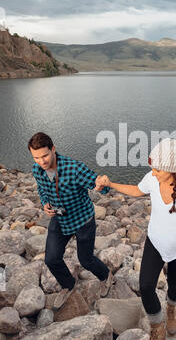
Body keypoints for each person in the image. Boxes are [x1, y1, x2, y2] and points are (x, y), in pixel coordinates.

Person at [95, 138, 176, 340]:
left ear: (171, 169)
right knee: (146, 286)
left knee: (174, 285)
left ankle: (172, 310)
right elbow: (137, 191)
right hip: (155, 242)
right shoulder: (152, 178)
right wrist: (111, 184)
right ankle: (157, 331)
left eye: (157, 168)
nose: (153, 172)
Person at [28, 132, 113, 311]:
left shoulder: (74, 169)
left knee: (86, 260)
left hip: (83, 220)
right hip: (59, 219)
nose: (41, 161)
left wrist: (101, 185)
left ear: (53, 149)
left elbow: (100, 187)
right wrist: (45, 204)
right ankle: (68, 285)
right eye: (36, 157)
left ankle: (106, 276)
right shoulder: (37, 169)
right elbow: (42, 190)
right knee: (51, 259)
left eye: (44, 155)